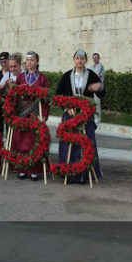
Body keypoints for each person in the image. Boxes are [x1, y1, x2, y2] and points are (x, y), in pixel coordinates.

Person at [55, 50, 105, 184]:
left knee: (87, 141)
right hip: (70, 114)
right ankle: (69, 173)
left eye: (82, 58)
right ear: (73, 60)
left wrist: (99, 87)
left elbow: (101, 93)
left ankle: (86, 174)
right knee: (69, 142)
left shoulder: (92, 75)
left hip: (86, 115)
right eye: (77, 58)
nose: (79, 61)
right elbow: (58, 95)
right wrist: (67, 107)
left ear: (86, 60)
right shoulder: (66, 76)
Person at [12, 51, 50, 181]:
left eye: (32, 60)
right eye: (27, 60)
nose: (29, 62)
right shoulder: (21, 77)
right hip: (22, 113)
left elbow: (46, 99)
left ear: (37, 62)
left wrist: (44, 115)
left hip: (36, 112)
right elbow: (15, 96)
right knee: (21, 140)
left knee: (34, 141)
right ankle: (22, 168)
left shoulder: (43, 78)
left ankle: (34, 170)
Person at [91, 53, 105, 124]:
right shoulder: (91, 67)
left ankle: (98, 118)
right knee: (91, 103)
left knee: (97, 103)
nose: (95, 59)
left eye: (96, 57)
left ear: (99, 58)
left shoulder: (101, 67)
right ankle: (93, 117)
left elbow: (96, 76)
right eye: (93, 57)